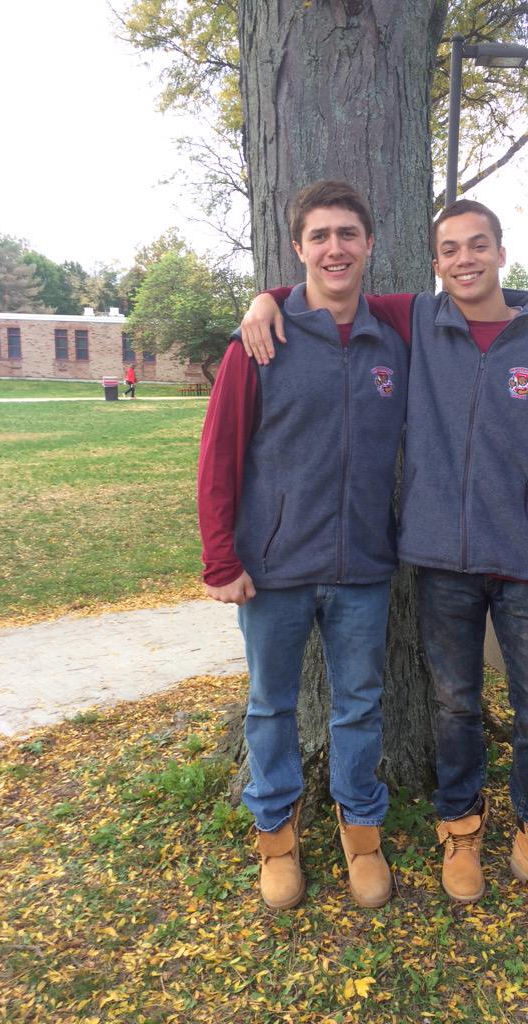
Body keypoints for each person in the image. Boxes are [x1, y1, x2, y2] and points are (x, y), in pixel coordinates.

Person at [240, 199, 528, 924]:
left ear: (502, 253)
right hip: (442, 561)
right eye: (449, 249)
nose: (465, 259)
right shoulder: (418, 322)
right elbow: (333, 291)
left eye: (478, 245)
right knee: (455, 706)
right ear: (434, 264)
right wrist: (265, 298)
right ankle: (459, 833)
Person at [197, 181, 410, 911]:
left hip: (363, 569)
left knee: (358, 705)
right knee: (270, 707)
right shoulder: (261, 341)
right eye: (319, 236)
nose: (335, 248)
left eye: (348, 233)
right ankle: (277, 840)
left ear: (370, 243)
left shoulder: (395, 335)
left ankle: (361, 833)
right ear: (298, 248)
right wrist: (221, 559)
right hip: (275, 567)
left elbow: (478, 306)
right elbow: (219, 454)